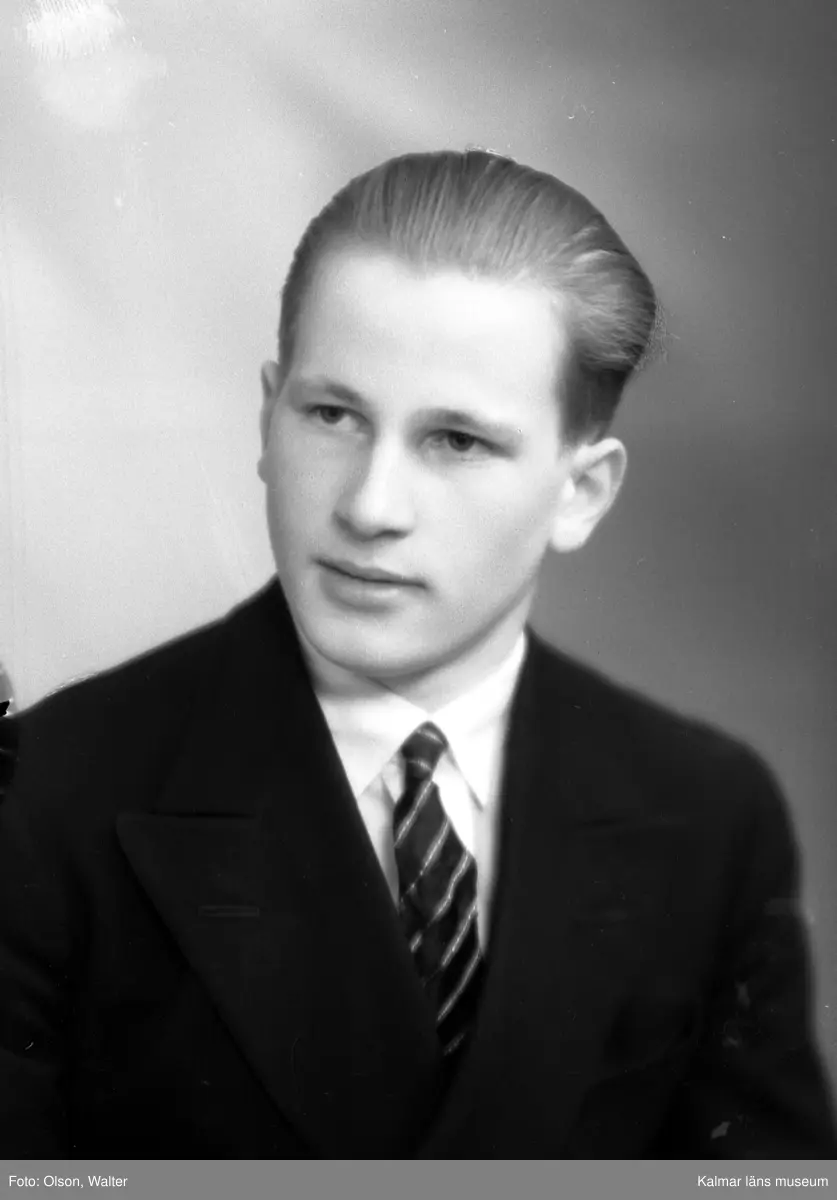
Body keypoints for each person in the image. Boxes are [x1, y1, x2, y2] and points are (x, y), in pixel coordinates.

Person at [1, 149, 834, 1159]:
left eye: (456, 441)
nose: (369, 506)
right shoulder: (45, 797)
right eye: (332, 415)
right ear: (267, 418)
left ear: (581, 492)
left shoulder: (707, 816)